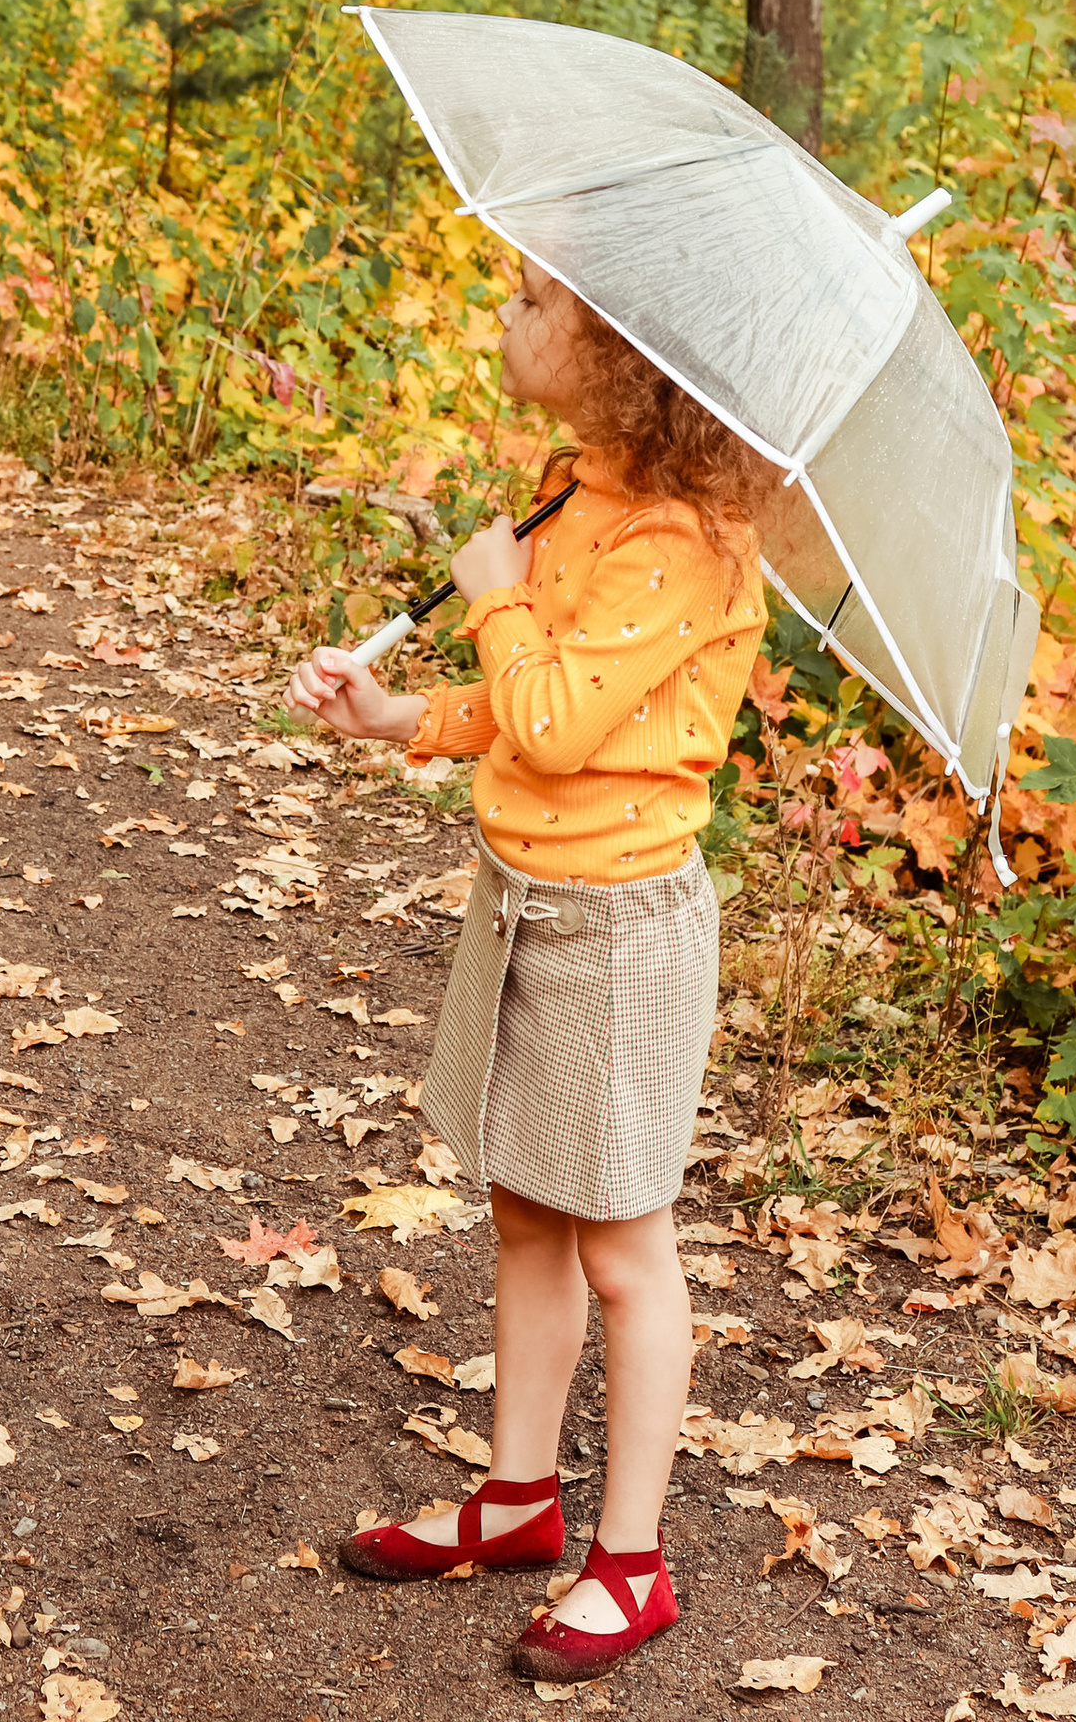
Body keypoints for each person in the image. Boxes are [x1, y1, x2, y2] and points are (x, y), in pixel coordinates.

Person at [284, 256, 775, 1686]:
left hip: (618, 933)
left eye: (530, 302)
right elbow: (520, 703)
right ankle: (516, 1503)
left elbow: (555, 721)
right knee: (524, 1211)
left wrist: (492, 593)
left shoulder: (683, 539)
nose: (507, 319)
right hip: (525, 899)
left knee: (623, 1246)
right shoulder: (580, 492)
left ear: (619, 354)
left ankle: (632, 1562)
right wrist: (395, 718)